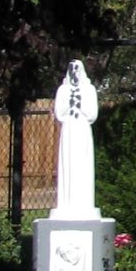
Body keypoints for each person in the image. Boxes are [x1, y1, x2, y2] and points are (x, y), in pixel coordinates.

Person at [53, 60, 100, 218]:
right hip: (69, 130)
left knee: (82, 162)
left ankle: (84, 202)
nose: (75, 73)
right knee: (69, 162)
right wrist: (70, 103)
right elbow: (60, 114)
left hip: (82, 129)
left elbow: (92, 114)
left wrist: (80, 103)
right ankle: (66, 203)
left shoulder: (89, 90)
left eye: (77, 69)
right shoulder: (63, 90)